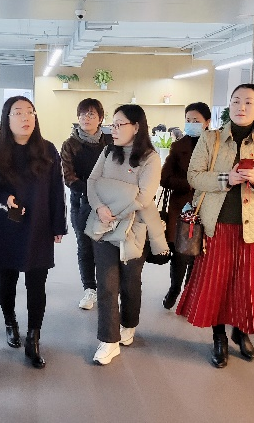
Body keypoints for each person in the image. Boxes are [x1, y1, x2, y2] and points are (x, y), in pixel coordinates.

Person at [176, 83, 254, 368]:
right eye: (236, 101)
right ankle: (219, 337)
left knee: (247, 285)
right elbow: (194, 176)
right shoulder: (210, 139)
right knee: (217, 283)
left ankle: (241, 332)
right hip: (216, 224)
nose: (241, 107)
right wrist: (227, 179)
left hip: (252, 229)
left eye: (248, 102)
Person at [0, 96, 67, 369]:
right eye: (18, 112)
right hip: (6, 226)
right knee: (8, 279)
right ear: (7, 119)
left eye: (30, 112)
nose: (25, 117)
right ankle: (10, 322)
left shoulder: (48, 150)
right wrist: (4, 199)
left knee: (37, 284)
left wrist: (58, 225)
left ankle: (33, 338)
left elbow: (57, 190)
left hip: (39, 226)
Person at [85, 104, 169, 365]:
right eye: (113, 124)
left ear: (136, 127)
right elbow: (92, 182)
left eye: (120, 124)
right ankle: (108, 341)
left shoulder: (150, 158)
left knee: (130, 282)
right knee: (106, 284)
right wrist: (100, 208)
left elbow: (143, 197)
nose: (114, 129)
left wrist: (113, 210)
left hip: (134, 230)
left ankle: (129, 324)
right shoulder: (108, 151)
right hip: (103, 226)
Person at [60, 98, 111, 310]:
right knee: (85, 245)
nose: (85, 118)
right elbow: (68, 177)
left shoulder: (110, 141)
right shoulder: (70, 144)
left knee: (107, 245)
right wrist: (91, 192)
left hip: (109, 202)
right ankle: (89, 288)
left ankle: (109, 288)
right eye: (82, 114)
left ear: (101, 118)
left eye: (91, 114)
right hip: (81, 202)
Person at [161, 102, 211, 309]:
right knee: (180, 253)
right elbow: (164, 179)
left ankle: (190, 294)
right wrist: (190, 183)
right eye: (188, 120)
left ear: (207, 122)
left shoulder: (216, 147)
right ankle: (175, 289)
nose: (191, 124)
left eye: (196, 120)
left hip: (208, 207)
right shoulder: (178, 146)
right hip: (182, 207)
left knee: (198, 255)